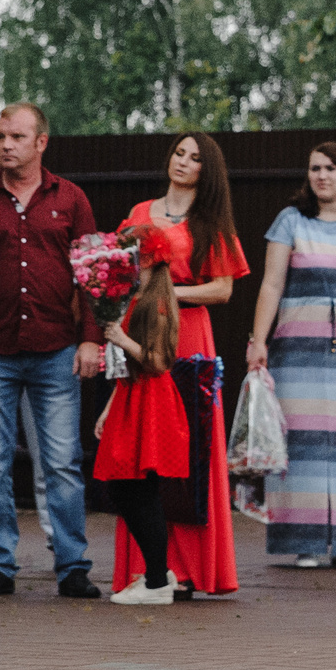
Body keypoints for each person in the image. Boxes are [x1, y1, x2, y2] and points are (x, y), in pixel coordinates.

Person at [0, 103, 104, 599]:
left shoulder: (71, 200)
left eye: (16, 136)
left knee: (63, 463)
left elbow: (93, 274)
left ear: (41, 142)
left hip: (57, 350)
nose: (5, 145)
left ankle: (72, 564)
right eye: (0, 136)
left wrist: (91, 338)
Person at [112, 133, 248, 599]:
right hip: (141, 330)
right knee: (142, 449)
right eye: (179, 153)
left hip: (188, 335)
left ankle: (190, 568)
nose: (184, 162)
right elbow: (120, 272)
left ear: (206, 170)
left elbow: (224, 289)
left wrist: (170, 294)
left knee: (189, 452)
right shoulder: (138, 213)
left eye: (195, 158)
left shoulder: (211, 221)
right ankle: (153, 567)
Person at [250, 142, 336, 568]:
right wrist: (258, 340)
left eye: (331, 168)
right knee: (303, 445)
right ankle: (305, 541)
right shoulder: (291, 221)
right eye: (314, 168)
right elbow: (272, 284)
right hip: (298, 351)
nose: (321, 175)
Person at [91, 254, 203, 606]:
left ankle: (156, 579)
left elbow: (159, 361)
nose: (132, 265)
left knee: (138, 489)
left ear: (154, 265)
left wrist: (122, 339)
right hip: (133, 398)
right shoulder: (140, 299)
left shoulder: (156, 303)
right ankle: (158, 573)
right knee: (128, 488)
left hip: (150, 402)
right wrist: (110, 408)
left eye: (140, 259)